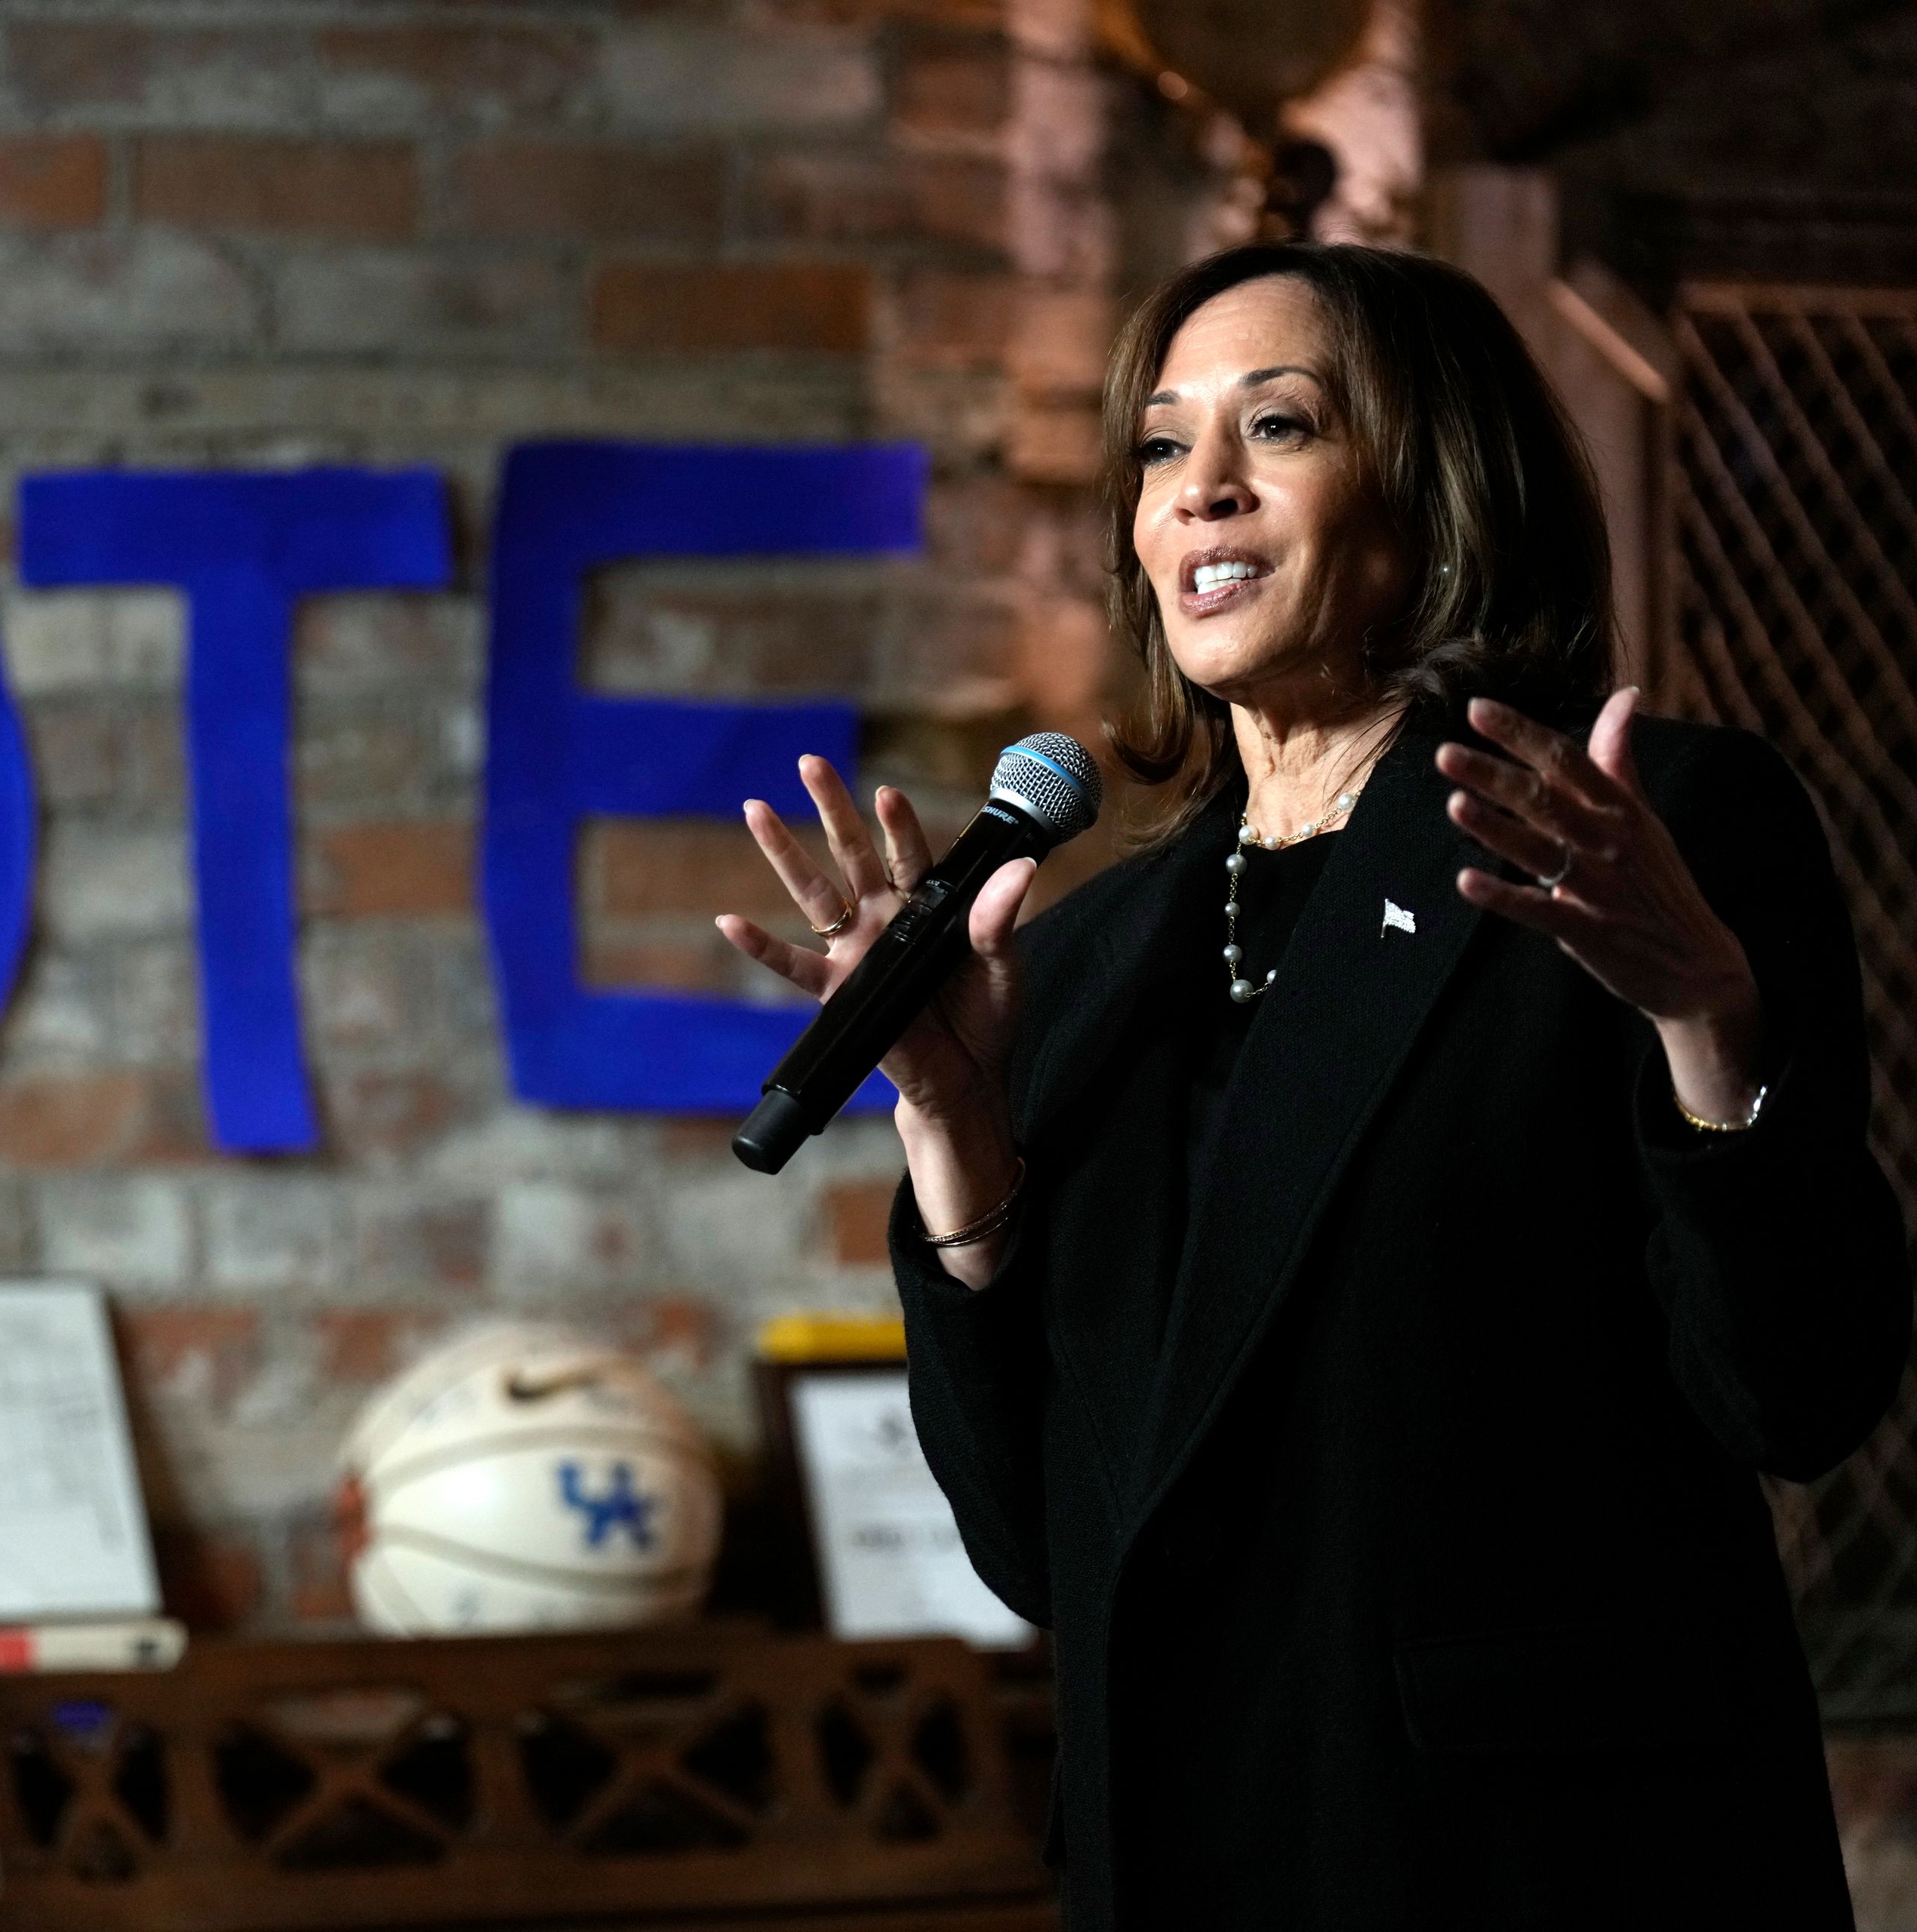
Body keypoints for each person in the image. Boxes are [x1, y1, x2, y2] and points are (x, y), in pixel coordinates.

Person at [719, 242, 1906, 1927]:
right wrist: (958, 1142)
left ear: (1434, 488)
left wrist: (1710, 1018)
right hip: (1180, 1852)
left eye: (1276, 428)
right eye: (1158, 445)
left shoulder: (1630, 834)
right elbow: (1031, 1549)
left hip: (1525, 1864)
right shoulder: (1088, 950)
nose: (1199, 488)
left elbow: (1801, 1393)